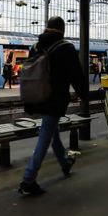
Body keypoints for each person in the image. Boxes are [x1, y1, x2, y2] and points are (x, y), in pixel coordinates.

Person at [19, 16, 87, 195]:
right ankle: (28, 180)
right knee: (46, 134)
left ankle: (64, 163)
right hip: (54, 98)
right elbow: (76, 75)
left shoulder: (35, 46)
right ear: (62, 30)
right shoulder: (65, 47)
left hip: (36, 96)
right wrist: (84, 95)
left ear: (47, 28)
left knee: (51, 130)